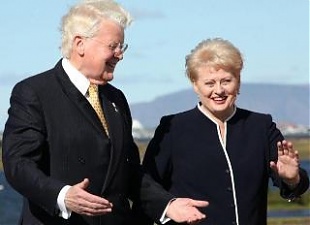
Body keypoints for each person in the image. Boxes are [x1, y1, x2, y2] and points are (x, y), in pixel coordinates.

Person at [2, 1, 208, 224]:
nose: (120, 55)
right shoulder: (35, 92)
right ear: (80, 44)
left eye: (123, 47)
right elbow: (18, 164)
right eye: (113, 46)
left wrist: (167, 205)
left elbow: (128, 172)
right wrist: (63, 195)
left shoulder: (116, 99)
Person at [137, 38, 309, 225]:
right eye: (209, 83)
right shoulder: (173, 128)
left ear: (238, 81)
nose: (218, 90)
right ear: (195, 85)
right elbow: (147, 186)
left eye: (226, 81)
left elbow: (293, 184)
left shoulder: (261, 126)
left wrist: (292, 179)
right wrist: (169, 205)